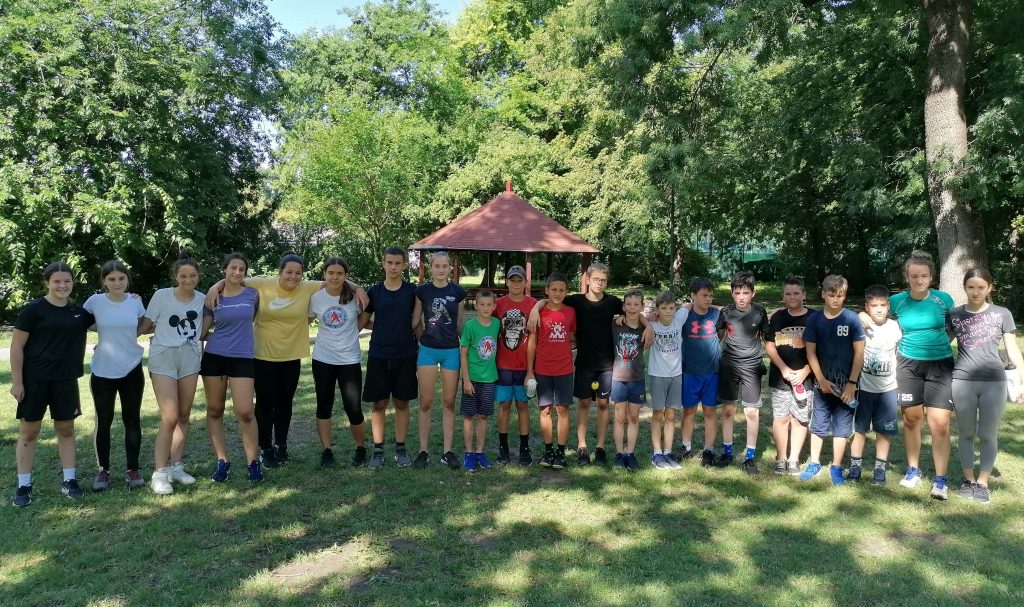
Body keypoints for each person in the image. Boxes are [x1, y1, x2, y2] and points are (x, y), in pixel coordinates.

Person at [10, 263, 95, 506]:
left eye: (67, 281)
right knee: (29, 432)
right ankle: (24, 486)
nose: (62, 285)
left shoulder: (79, 313)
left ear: (73, 282)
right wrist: (17, 382)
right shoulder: (33, 310)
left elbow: (110, 321)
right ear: (47, 282)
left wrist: (128, 299)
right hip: (34, 380)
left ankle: (70, 480)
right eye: (56, 281)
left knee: (66, 430)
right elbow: (16, 346)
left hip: (65, 380)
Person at [948, 268, 1024, 504]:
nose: (976, 292)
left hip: (994, 382)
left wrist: (1022, 380)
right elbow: (941, 344)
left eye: (981, 287)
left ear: (989, 287)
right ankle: (968, 480)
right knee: (966, 432)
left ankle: (982, 483)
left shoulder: (1002, 314)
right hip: (962, 381)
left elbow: (1012, 350)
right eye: (971, 287)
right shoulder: (954, 314)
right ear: (964, 287)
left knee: (988, 434)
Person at [887, 251, 955, 499]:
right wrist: (862, 315)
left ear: (931, 277)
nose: (919, 280)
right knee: (912, 419)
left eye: (924, 275)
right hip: (908, 365)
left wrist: (940, 343)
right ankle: (913, 470)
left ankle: (940, 479)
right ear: (907, 277)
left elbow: (955, 326)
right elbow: (876, 316)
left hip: (941, 365)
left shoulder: (943, 300)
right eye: (914, 276)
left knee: (940, 423)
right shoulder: (896, 302)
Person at [140, 256, 205, 495]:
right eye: (183, 276)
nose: (188, 280)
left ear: (198, 277)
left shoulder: (203, 299)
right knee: (170, 417)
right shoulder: (161, 296)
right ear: (175, 277)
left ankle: (176, 466)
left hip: (190, 358)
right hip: (163, 358)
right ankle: (159, 473)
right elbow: (144, 326)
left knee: (184, 416)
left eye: (192, 275)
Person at [83, 260, 146, 491]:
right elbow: (81, 322)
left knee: (132, 420)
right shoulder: (95, 302)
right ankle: (103, 471)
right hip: (102, 370)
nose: (117, 283)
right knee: (104, 421)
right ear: (104, 281)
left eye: (121, 278)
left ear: (127, 279)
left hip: (132, 368)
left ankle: (133, 469)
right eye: (112, 279)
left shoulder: (136, 302)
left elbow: (142, 325)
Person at [199, 253, 262, 483]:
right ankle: (222, 461)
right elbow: (203, 332)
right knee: (215, 410)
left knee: (245, 412)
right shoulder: (213, 296)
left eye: (241, 269)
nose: (237, 272)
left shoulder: (253, 294)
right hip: (214, 357)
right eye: (233, 268)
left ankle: (253, 462)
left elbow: (252, 319)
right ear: (224, 269)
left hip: (242, 357)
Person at [799, 275, 865, 486]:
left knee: (842, 428)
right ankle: (814, 463)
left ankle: (836, 466)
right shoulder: (815, 320)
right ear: (823, 295)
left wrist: (851, 384)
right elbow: (810, 353)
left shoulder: (851, 319)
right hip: (822, 385)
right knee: (818, 424)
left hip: (847, 386)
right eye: (831, 295)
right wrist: (821, 380)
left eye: (840, 295)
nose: (835, 299)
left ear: (844, 296)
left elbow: (859, 353)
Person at [360, 246, 418, 470]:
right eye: (390, 262)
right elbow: (363, 321)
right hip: (379, 354)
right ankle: (378, 449)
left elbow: (417, 321)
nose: (393, 267)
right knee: (379, 403)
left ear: (404, 266)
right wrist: (382, 326)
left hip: (405, 354)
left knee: (402, 402)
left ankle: (400, 448)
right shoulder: (374, 292)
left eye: (398, 263)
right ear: (383, 264)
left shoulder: (412, 291)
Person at [309, 257, 369, 468]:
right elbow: (304, 321)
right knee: (323, 406)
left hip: (349, 360)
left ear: (346, 276)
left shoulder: (355, 297)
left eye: (340, 273)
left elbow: (365, 320)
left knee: (353, 408)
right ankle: (327, 450)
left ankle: (360, 447)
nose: (335, 277)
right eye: (331, 273)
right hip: (322, 359)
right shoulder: (316, 298)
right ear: (324, 274)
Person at [411, 252, 467, 469]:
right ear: (431, 268)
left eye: (445, 266)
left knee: (448, 402)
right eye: (437, 266)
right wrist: (421, 340)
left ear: (450, 268)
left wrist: (464, 346)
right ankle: (423, 451)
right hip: (428, 351)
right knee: (426, 402)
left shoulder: (458, 292)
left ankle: (447, 451)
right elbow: (416, 320)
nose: (441, 270)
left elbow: (459, 322)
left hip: (451, 350)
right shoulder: (422, 291)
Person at [715, 271, 769, 475]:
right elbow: (718, 334)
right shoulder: (726, 312)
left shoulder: (760, 312)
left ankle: (750, 457)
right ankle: (727, 452)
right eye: (737, 293)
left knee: (751, 412)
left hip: (752, 366)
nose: (741, 297)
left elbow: (767, 337)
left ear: (753, 294)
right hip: (729, 364)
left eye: (746, 292)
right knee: (728, 410)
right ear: (732, 293)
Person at [849, 285, 901, 486]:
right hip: (864, 389)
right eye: (873, 306)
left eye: (882, 305)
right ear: (867, 307)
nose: (878, 309)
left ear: (888, 306)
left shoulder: (895, 327)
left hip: (888, 389)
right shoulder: (861, 324)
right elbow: (846, 318)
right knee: (860, 429)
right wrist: (859, 315)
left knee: (884, 431)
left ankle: (880, 468)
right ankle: (855, 466)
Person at [526, 273, 576, 470]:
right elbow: (532, 343)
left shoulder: (570, 312)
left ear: (566, 292)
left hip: (564, 368)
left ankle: (561, 452)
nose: (557, 293)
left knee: (562, 409)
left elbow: (572, 337)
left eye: (561, 290)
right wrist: (530, 370)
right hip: (542, 368)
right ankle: (548, 451)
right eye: (553, 289)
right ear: (547, 290)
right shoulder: (538, 312)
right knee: (545, 409)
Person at [764, 276, 813, 476]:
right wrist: (783, 368)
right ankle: (781, 458)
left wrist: (805, 371)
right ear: (783, 297)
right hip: (780, 379)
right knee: (781, 418)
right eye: (788, 294)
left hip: (806, 380)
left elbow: (821, 350)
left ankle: (794, 459)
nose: (792, 297)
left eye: (796, 293)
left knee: (800, 419)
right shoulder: (778, 317)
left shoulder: (814, 318)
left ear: (804, 295)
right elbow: (769, 345)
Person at [493, 266, 537, 466]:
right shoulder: (499, 304)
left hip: (523, 365)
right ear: (507, 282)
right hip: (503, 364)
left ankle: (524, 447)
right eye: (513, 280)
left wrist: (530, 370)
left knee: (522, 405)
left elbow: (534, 338)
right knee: (504, 405)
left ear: (525, 283)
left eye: (520, 280)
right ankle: (503, 446)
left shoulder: (532, 304)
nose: (516, 284)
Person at [681, 278, 722, 467]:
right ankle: (686, 446)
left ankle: (708, 450)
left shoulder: (716, 315)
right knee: (688, 410)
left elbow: (722, 334)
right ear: (693, 295)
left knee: (710, 411)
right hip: (690, 371)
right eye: (704, 295)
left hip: (712, 371)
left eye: (710, 296)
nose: (708, 299)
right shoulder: (684, 315)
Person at [459, 290, 500, 471]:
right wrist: (466, 380)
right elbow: (463, 354)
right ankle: (469, 453)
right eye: (482, 304)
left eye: (489, 305)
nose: (485, 308)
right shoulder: (470, 326)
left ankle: (480, 452)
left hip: (489, 378)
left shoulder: (497, 324)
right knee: (469, 415)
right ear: (476, 305)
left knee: (483, 416)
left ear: (494, 306)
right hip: (472, 379)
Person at [647, 291, 687, 470]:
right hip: (658, 374)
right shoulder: (652, 324)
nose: (668, 311)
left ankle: (668, 452)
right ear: (657, 310)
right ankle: (657, 453)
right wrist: (648, 318)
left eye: (671, 308)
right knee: (658, 413)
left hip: (676, 374)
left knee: (671, 415)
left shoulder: (679, 318)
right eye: (664, 308)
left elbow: (691, 305)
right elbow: (637, 316)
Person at [611, 289, 647, 471]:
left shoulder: (645, 328)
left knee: (633, 417)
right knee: (619, 417)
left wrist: (648, 325)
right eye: (629, 304)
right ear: (623, 306)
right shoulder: (616, 324)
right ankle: (619, 453)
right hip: (618, 378)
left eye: (636, 304)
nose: (632, 308)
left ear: (642, 306)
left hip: (637, 378)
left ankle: (630, 454)